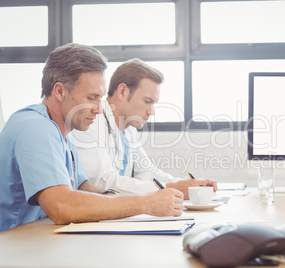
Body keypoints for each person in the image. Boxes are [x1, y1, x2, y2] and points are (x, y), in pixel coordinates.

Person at [0, 43, 184, 232]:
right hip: (11, 244)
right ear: (60, 91)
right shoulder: (35, 127)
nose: (99, 108)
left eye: (100, 98)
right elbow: (61, 207)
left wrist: (120, 201)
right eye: (91, 98)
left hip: (36, 238)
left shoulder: (66, 134)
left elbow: (86, 188)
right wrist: (145, 204)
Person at [72, 59, 217, 199]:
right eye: (148, 102)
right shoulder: (91, 122)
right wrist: (172, 188)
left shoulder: (129, 130)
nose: (151, 112)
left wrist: (190, 185)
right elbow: (103, 183)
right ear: (122, 91)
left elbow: (149, 173)